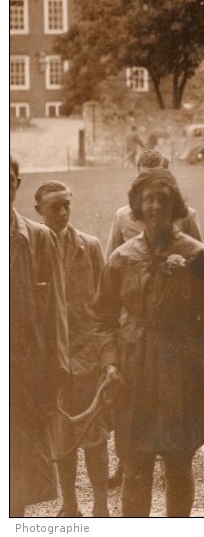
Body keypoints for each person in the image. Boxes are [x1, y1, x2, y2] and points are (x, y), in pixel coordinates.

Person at [95, 168, 204, 516]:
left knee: (178, 465)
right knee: (136, 465)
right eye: (147, 200)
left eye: (162, 200)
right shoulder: (121, 258)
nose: (154, 207)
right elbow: (104, 319)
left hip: (179, 373)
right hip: (134, 375)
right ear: (136, 206)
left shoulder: (195, 255)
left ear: (174, 206)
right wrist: (110, 363)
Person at [34, 181, 110, 517]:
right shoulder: (31, 248)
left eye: (67, 205)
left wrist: (107, 356)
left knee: (95, 435)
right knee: (62, 437)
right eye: (54, 207)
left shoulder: (90, 247)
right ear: (39, 211)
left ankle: (101, 505)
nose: (63, 213)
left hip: (88, 357)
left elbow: (108, 305)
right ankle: (70, 504)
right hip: (53, 362)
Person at [9, 156, 69, 517]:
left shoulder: (39, 238)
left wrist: (55, 372)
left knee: (20, 471)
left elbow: (56, 312)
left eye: (8, 179)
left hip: (22, 372)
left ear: (17, 183)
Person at [105, 149, 202, 258]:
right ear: (137, 179)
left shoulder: (187, 216)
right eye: (144, 178)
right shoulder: (122, 217)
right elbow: (111, 262)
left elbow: (199, 260)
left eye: (157, 178)